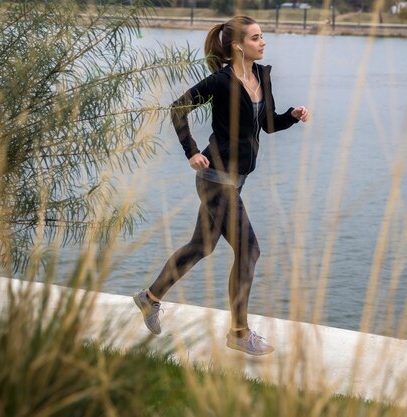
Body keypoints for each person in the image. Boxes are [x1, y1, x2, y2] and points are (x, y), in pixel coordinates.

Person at [134, 16, 310, 356]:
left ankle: (150, 298)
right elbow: (178, 109)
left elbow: (268, 124)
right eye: (257, 38)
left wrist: (293, 115)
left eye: (262, 37)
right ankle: (239, 332)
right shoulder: (220, 81)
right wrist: (192, 152)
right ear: (238, 46)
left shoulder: (261, 76)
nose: (263, 42)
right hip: (216, 180)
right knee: (250, 250)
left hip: (237, 181)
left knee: (202, 246)